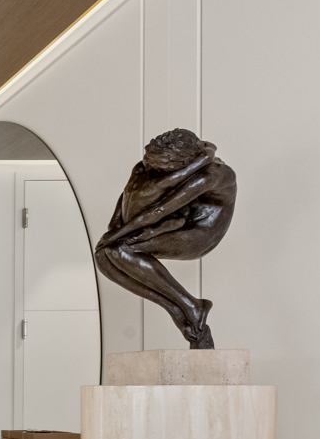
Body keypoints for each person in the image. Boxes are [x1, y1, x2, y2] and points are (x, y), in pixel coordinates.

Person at [94, 128, 236, 349]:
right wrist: (114, 225)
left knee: (121, 250)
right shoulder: (156, 165)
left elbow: (161, 209)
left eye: (159, 166)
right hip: (172, 220)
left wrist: (117, 234)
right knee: (103, 256)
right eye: (149, 161)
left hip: (198, 233)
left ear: (182, 163)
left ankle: (190, 306)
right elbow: (127, 192)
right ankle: (180, 307)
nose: (151, 168)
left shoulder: (210, 176)